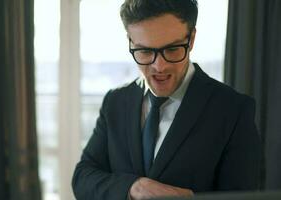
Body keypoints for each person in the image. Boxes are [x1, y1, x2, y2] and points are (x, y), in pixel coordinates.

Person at [72, 0, 261, 199]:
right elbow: (82, 178)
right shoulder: (115, 102)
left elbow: (242, 197)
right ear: (130, 42)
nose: (159, 67)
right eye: (145, 51)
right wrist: (133, 188)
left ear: (192, 39)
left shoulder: (233, 110)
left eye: (172, 49)